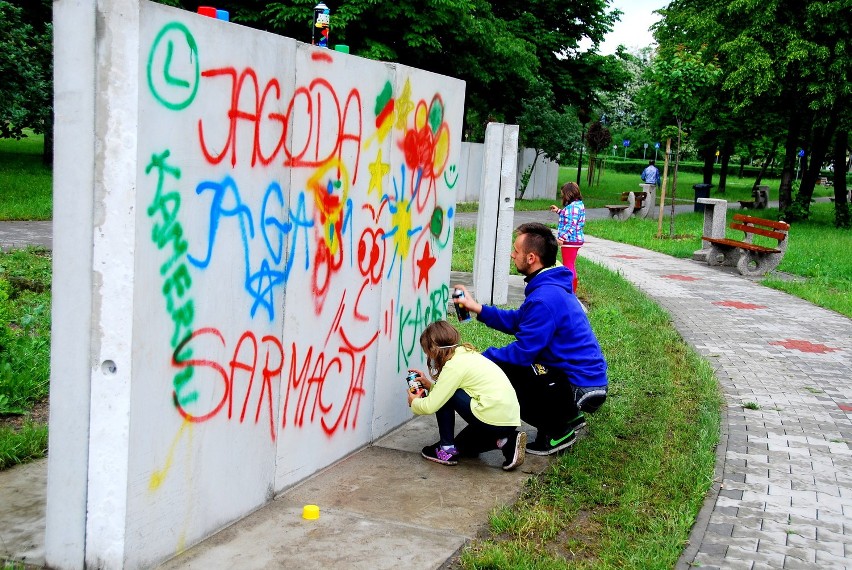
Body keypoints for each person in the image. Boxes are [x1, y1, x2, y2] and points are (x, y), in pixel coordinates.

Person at [452, 223, 608, 456]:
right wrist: (477, 308)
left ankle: (559, 430)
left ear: (532, 257)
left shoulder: (544, 298)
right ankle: (567, 416)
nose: (512, 254)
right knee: (519, 368)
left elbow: (523, 353)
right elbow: (519, 321)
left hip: (581, 386)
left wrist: (481, 360)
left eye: (516, 250)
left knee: (509, 373)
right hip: (579, 377)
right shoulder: (547, 286)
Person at [407, 320, 526, 471]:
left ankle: (446, 449)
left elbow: (431, 405)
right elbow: (448, 390)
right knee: (463, 448)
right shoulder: (466, 354)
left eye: (427, 352)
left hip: (492, 419)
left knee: (447, 395)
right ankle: (505, 441)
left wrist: (414, 401)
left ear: (434, 350)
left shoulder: (453, 366)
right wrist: (430, 386)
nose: (428, 356)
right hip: (507, 419)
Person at [549, 181, 585, 292]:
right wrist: (559, 211)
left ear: (568, 194)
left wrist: (562, 238)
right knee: (570, 263)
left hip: (571, 240)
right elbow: (569, 217)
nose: (562, 196)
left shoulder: (573, 207)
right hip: (574, 240)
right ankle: (571, 288)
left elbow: (571, 224)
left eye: (563, 194)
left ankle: (570, 290)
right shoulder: (578, 204)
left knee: (569, 265)